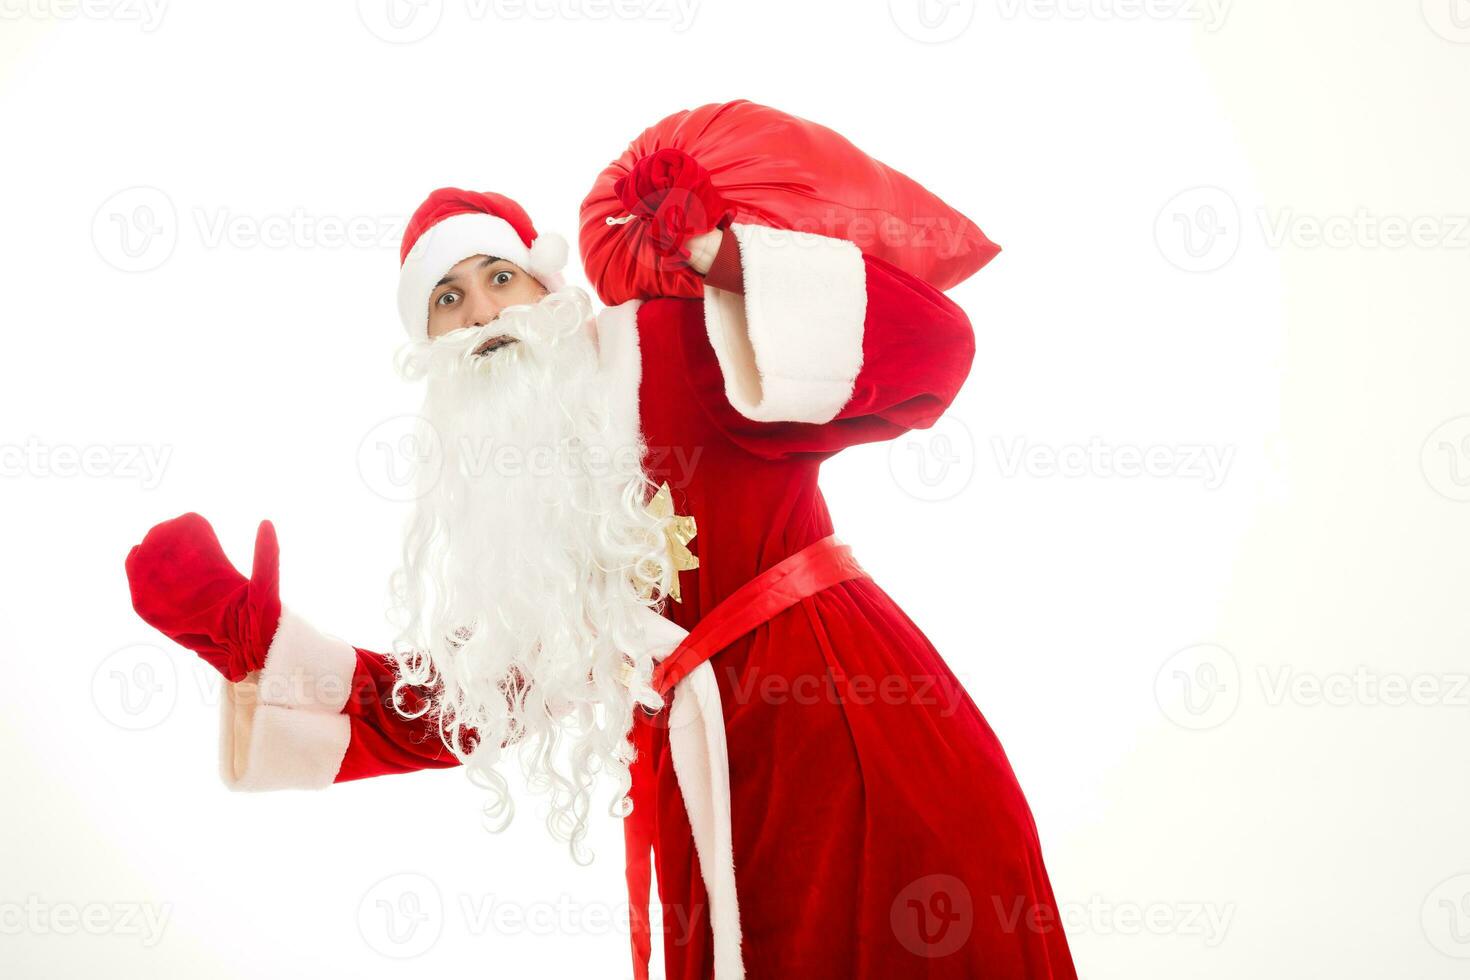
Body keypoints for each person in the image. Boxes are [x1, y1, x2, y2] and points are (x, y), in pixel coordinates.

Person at [126, 186, 1078, 979]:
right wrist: (240, 632)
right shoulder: (526, 519)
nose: (484, 315)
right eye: (447, 301)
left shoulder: (679, 345)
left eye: (500, 277)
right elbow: (455, 708)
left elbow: (931, 354)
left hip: (859, 737)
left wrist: (720, 258)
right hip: (719, 809)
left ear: (549, 286)